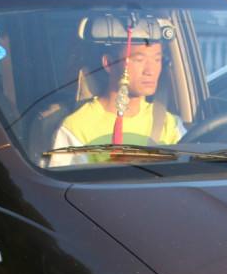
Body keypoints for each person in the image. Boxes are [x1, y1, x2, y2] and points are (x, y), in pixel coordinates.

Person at [48, 17, 185, 165]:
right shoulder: (78, 128)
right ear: (109, 63)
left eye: (157, 60)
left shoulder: (169, 124)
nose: (150, 71)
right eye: (139, 60)